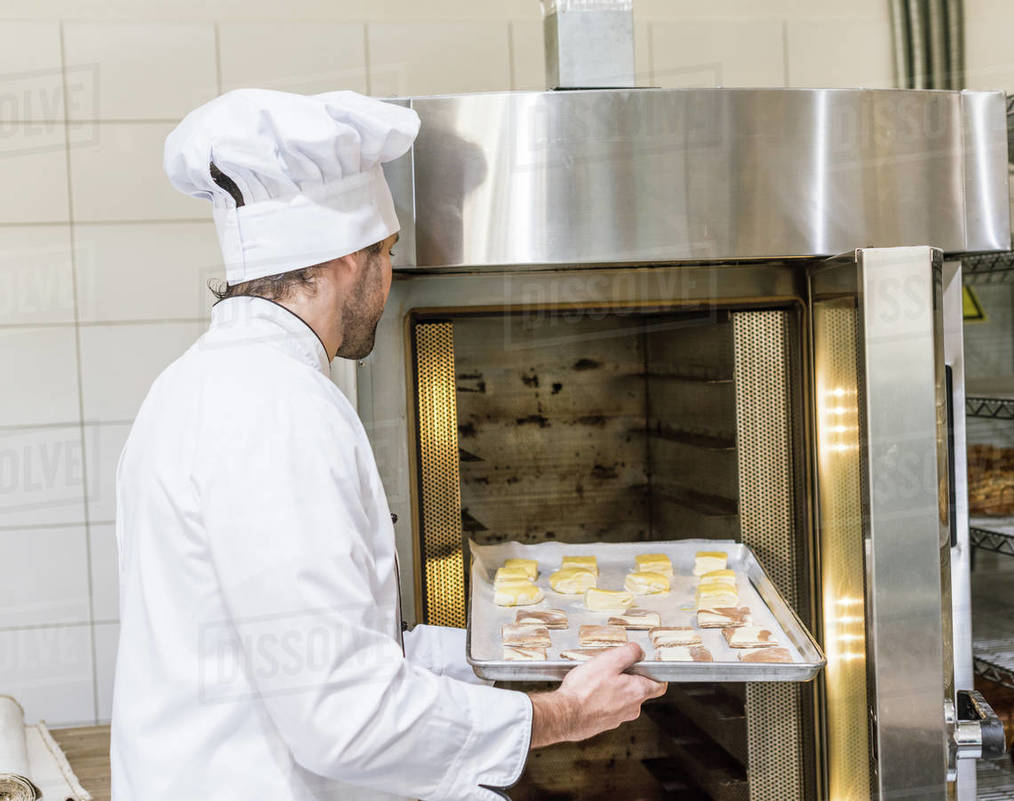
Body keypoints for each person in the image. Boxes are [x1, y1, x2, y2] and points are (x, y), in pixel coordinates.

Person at [109, 88, 666, 801]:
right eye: (388, 252)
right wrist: (558, 714)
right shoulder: (277, 412)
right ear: (348, 257)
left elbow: (338, 651)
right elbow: (344, 711)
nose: (388, 278)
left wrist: (519, 651)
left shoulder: (194, 385)